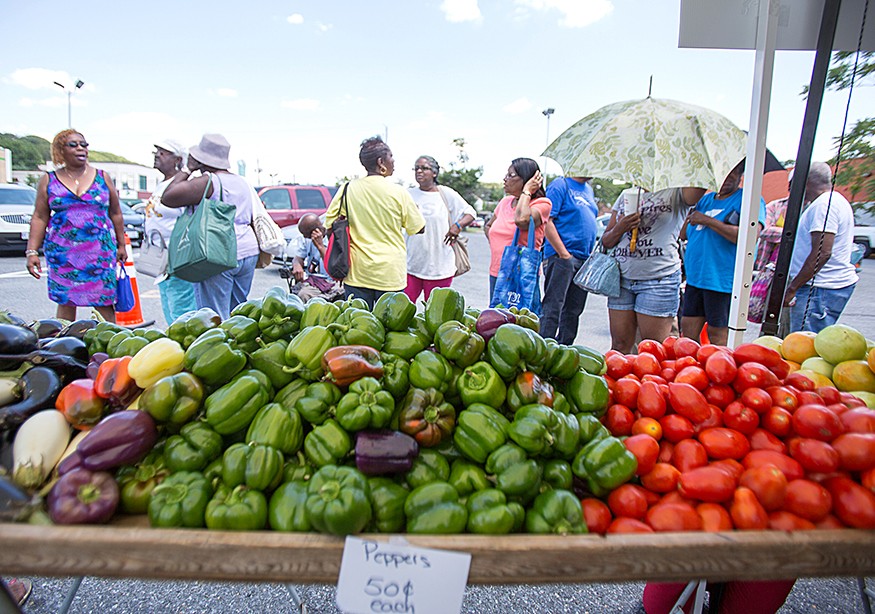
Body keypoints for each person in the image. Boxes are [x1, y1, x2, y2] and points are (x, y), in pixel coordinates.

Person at [25, 129, 127, 322]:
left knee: (104, 301)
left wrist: (121, 245)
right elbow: (39, 216)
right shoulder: (49, 179)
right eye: (73, 145)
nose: (81, 148)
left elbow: (115, 212)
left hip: (99, 251)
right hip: (63, 252)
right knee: (65, 300)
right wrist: (32, 252)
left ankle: (109, 343)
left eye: (84, 144)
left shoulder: (102, 177)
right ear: (60, 151)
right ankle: (66, 347)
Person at [161, 133, 260, 319]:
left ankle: (220, 346)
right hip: (248, 250)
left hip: (219, 252)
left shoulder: (210, 182)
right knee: (237, 313)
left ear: (200, 159)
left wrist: (187, 169)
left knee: (214, 315)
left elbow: (168, 197)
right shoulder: (242, 182)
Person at [601, 186, 706, 352]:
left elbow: (698, 183)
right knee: (619, 347)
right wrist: (622, 226)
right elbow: (606, 241)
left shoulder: (677, 192)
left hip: (658, 280)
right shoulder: (626, 194)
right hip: (622, 280)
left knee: (653, 350)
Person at [324, 136, 425, 309]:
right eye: (391, 156)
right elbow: (418, 228)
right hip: (390, 274)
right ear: (381, 162)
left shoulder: (348, 189)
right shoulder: (399, 192)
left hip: (357, 272)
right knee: (389, 330)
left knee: (359, 325)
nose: (394, 161)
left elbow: (329, 225)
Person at [680, 161, 766, 346]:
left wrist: (708, 221)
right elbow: (683, 234)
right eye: (723, 173)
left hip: (721, 280)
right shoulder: (705, 200)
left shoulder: (749, 199)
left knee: (718, 333)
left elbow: (750, 237)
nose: (727, 178)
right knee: (687, 332)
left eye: (733, 173)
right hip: (696, 279)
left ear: (741, 175)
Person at [784, 161, 858, 332]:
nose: (790, 190)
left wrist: (793, 287)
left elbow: (822, 252)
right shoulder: (830, 201)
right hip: (819, 288)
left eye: (791, 184)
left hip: (819, 289)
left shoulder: (824, 205)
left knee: (804, 346)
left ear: (804, 181)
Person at [405, 155, 476, 302]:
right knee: (403, 308)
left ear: (435, 173)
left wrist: (457, 226)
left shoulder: (445, 193)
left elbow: (470, 213)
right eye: (416, 168)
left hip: (440, 267)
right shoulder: (408, 194)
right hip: (411, 264)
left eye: (424, 168)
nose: (419, 171)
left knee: (435, 311)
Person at [143, 139, 197, 324]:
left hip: (176, 254)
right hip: (159, 253)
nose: (157, 155)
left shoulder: (182, 185)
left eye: (164, 152)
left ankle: (185, 344)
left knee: (182, 305)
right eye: (156, 151)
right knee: (168, 301)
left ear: (177, 159)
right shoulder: (162, 184)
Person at [540, 176, 599, 344]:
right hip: (562, 257)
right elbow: (547, 221)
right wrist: (564, 254)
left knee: (574, 310)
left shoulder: (588, 189)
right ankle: (544, 349)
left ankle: (564, 350)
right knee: (553, 306)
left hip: (583, 259)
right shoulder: (560, 185)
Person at [483, 158, 550, 301]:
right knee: (496, 318)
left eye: (511, 175)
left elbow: (522, 220)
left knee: (519, 320)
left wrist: (526, 192)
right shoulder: (505, 202)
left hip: (521, 273)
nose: (505, 179)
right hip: (497, 271)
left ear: (527, 179)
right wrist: (497, 246)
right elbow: (488, 226)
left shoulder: (542, 204)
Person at [748, 171, 792, 324]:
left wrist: (785, 235)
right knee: (766, 311)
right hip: (770, 268)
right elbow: (764, 230)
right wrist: (792, 234)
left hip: (796, 270)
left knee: (788, 318)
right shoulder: (775, 206)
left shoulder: (811, 209)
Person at [290, 213, 343, 302]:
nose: (304, 236)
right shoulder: (306, 239)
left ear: (315, 231)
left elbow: (332, 265)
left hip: (332, 281)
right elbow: (298, 257)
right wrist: (297, 264)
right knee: (301, 294)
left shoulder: (333, 237)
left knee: (305, 294)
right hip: (313, 281)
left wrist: (320, 246)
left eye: (305, 234)